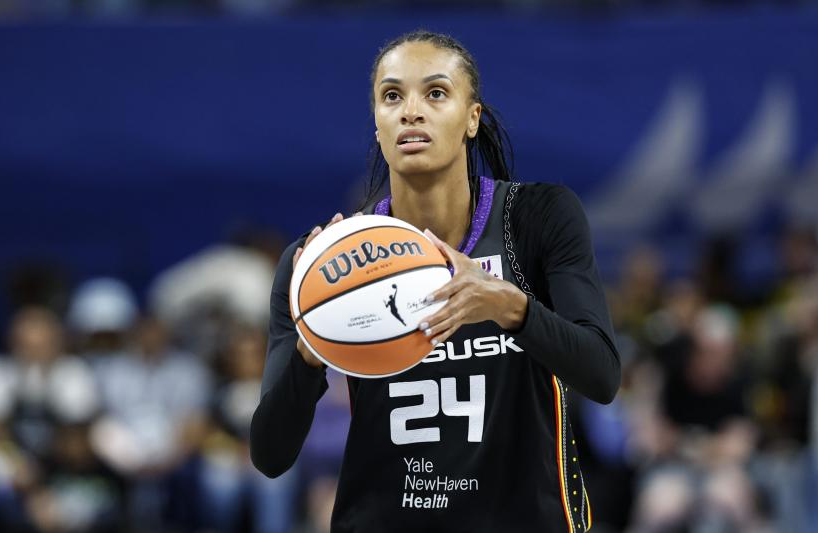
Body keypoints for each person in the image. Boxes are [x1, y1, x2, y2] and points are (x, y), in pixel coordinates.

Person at [250, 30, 620, 532]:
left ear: (473, 118)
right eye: (392, 96)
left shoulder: (536, 218)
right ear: (378, 126)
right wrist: (313, 346)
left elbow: (601, 375)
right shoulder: (316, 267)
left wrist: (513, 308)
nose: (411, 111)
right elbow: (270, 456)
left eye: (436, 93)